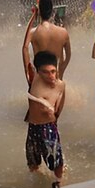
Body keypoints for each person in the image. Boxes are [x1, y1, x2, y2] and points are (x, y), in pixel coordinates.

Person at [24, 51, 65, 180]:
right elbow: (25, 56)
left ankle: (59, 184)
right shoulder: (33, 79)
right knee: (32, 162)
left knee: (56, 164)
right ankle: (36, 187)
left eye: (53, 71)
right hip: (33, 127)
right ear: (37, 71)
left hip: (48, 127)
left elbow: (60, 107)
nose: (50, 75)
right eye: (45, 72)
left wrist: (52, 113)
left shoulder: (60, 85)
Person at [23, 0, 71, 82]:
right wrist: (62, 69)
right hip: (56, 78)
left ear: (39, 12)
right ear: (52, 11)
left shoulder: (33, 33)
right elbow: (68, 56)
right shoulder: (63, 32)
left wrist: (28, 72)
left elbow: (25, 48)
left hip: (39, 79)